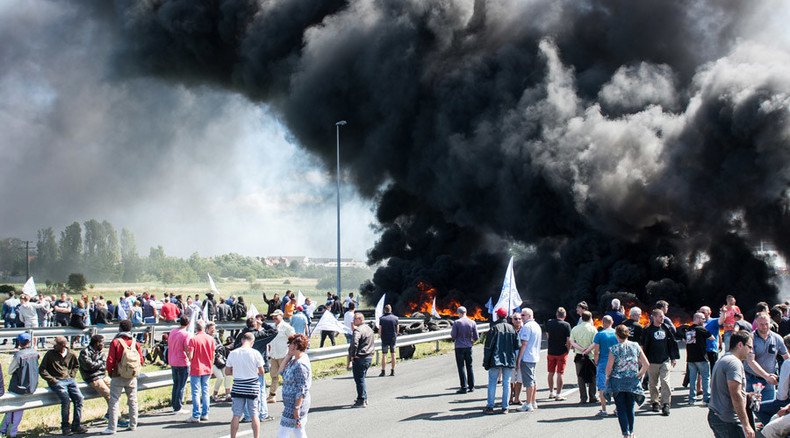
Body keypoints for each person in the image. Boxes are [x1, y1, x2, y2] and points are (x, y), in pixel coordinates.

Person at [708, 330, 757, 438]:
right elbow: (735, 394)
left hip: (717, 415)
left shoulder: (725, 359)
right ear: (740, 345)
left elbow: (724, 388)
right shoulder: (734, 363)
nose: (751, 351)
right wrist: (746, 424)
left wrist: (747, 395)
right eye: (749, 347)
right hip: (728, 419)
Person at [606, 324, 649, 438]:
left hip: (617, 381)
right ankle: (632, 431)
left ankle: (625, 433)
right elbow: (646, 364)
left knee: (621, 408)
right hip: (632, 381)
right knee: (630, 407)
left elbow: (609, 368)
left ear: (616, 335)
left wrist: (607, 377)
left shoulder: (614, 349)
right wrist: (639, 375)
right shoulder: (635, 346)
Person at [102, 320, 144, 434]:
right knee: (133, 400)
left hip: (118, 374)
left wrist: (110, 372)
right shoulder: (135, 342)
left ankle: (112, 427)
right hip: (132, 375)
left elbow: (110, 360)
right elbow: (141, 360)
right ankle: (133, 424)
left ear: (120, 328)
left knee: (114, 401)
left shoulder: (116, 342)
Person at [40, 336, 86, 435]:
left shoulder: (71, 354)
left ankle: (76, 425)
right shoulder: (50, 354)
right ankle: (65, 426)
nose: (53, 346)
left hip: (69, 380)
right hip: (57, 380)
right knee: (65, 400)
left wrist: (72, 375)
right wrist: (52, 380)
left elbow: (76, 366)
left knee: (79, 398)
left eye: (55, 344)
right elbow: (42, 369)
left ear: (62, 345)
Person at [226, 333, 265, 438]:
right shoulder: (255, 353)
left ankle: (233, 436)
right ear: (252, 342)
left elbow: (227, 372)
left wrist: (237, 371)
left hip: (238, 385)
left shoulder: (233, 353)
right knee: (254, 414)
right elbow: (261, 371)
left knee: (236, 414)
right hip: (252, 386)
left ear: (242, 340)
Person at [745, 312, 789, 406]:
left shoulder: (777, 338)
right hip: (752, 379)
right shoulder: (750, 338)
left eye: (767, 324)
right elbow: (751, 361)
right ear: (756, 323)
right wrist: (766, 376)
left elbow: (786, 357)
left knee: (767, 409)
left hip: (770, 381)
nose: (764, 327)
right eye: (761, 324)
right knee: (750, 408)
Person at [641, 308, 679, 416]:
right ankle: (655, 402)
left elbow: (671, 343)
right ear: (654, 317)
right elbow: (643, 345)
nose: (663, 318)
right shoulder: (647, 330)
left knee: (665, 382)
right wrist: (643, 360)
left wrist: (673, 357)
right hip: (652, 361)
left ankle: (666, 404)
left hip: (664, 360)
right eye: (660, 316)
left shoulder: (666, 328)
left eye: (663, 316)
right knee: (653, 383)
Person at [1, 333, 38, 438]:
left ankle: (10, 432)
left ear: (19, 342)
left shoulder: (19, 355)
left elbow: (10, 371)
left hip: (18, 387)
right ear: (29, 342)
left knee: (13, 411)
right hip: (31, 386)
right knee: (17, 411)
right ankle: (4, 430)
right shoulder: (35, 353)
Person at [483, 308, 519, 414]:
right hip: (509, 360)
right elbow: (518, 345)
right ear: (506, 316)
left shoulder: (494, 328)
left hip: (495, 359)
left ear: (497, 316)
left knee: (492, 383)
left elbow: (488, 347)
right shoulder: (512, 329)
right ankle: (505, 407)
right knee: (506, 383)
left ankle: (490, 407)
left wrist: (486, 362)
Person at [278, 334, 312, 438]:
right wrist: (288, 355)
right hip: (291, 404)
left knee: (283, 433)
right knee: (299, 431)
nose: (288, 346)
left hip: (295, 404)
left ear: (296, 346)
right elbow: (281, 372)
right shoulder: (294, 360)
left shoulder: (300, 365)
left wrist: (297, 407)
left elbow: (302, 389)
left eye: (290, 344)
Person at [757, 334, 790, 425]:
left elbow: (782, 392)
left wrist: (780, 400)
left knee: (758, 408)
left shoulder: (787, 363)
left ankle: (774, 429)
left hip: (787, 401)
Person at [186, 320, 215, 423]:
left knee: (196, 392)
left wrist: (187, 353)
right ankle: (205, 413)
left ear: (196, 328)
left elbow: (191, 356)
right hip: (207, 367)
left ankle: (196, 414)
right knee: (205, 391)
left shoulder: (193, 339)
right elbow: (213, 354)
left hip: (196, 368)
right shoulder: (210, 339)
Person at [78, 335, 112, 421]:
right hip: (92, 377)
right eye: (102, 343)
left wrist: (97, 364)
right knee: (109, 394)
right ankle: (115, 417)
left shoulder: (101, 352)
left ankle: (109, 414)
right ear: (97, 343)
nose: (103, 344)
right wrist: (100, 363)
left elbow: (105, 365)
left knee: (115, 391)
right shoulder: (85, 352)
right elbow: (89, 366)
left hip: (102, 375)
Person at [684, 312, 715, 406]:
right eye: (702, 319)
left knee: (693, 379)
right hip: (701, 358)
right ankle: (706, 399)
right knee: (706, 378)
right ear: (697, 318)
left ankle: (691, 399)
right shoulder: (701, 329)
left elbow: (688, 342)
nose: (704, 320)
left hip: (691, 358)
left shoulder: (689, 329)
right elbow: (712, 338)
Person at [517, 308, 542, 412]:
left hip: (527, 356)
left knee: (528, 382)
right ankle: (533, 401)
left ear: (529, 316)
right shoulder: (536, 325)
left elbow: (524, 343)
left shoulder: (527, 326)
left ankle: (528, 404)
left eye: (523, 315)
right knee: (533, 379)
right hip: (534, 355)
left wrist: (519, 358)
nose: (521, 317)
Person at [571, 311, 598, 404]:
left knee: (580, 377)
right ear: (590, 318)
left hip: (579, 355)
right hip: (590, 355)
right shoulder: (594, 329)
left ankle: (583, 397)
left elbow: (572, 342)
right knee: (593, 376)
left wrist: (581, 349)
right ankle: (592, 396)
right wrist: (587, 350)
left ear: (581, 318)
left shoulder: (575, 329)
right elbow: (595, 342)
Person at [268, 309, 295, 403]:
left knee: (286, 377)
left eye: (276, 316)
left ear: (281, 316)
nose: (274, 318)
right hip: (274, 355)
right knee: (274, 376)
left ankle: (289, 395)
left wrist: (291, 353)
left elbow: (293, 340)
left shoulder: (286, 327)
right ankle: (272, 396)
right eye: (273, 316)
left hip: (284, 355)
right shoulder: (271, 327)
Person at [348, 312, 374, 408]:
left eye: (355, 318)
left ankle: (361, 399)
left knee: (359, 379)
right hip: (369, 356)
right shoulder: (369, 329)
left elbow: (354, 343)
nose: (353, 320)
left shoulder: (358, 331)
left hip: (360, 357)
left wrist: (352, 356)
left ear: (360, 319)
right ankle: (364, 397)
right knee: (362, 378)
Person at [593, 315, 618, 416]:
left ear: (603, 323)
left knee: (602, 385)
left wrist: (596, 361)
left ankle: (604, 410)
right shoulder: (616, 334)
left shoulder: (599, 335)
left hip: (603, 362)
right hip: (615, 362)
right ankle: (617, 408)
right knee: (616, 385)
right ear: (612, 322)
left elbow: (596, 351)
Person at [450, 306, 479, 393]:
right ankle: (471, 386)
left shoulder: (457, 322)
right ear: (466, 312)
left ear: (459, 313)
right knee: (469, 366)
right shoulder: (472, 322)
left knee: (461, 366)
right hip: (468, 347)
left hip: (459, 347)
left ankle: (463, 387)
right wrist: (471, 342)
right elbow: (476, 337)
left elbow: (453, 335)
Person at [545, 307, 571, 400]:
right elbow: (568, 341)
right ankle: (558, 394)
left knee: (550, 372)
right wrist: (568, 350)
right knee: (560, 373)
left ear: (556, 314)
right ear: (565, 315)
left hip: (551, 351)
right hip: (562, 351)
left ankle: (551, 392)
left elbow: (548, 336)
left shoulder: (549, 323)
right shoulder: (566, 325)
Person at [168, 316, 191, 414]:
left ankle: (174, 404)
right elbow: (187, 348)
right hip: (182, 361)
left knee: (176, 384)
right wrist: (191, 359)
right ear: (188, 324)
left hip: (173, 360)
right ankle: (178, 407)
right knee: (181, 385)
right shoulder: (186, 334)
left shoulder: (173, 331)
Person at [209, 322, 232, 402]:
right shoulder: (207, 338)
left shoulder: (216, 337)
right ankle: (214, 394)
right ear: (207, 329)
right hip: (211, 361)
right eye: (211, 329)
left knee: (228, 375)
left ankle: (227, 394)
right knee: (220, 377)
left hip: (220, 359)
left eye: (214, 328)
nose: (213, 330)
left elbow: (221, 347)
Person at [378, 304, 400, 377]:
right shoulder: (395, 318)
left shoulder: (382, 319)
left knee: (384, 354)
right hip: (393, 338)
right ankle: (392, 371)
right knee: (393, 353)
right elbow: (397, 329)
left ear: (385, 310)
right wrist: (395, 335)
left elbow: (380, 330)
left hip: (384, 338)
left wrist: (380, 336)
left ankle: (383, 371)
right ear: (391, 310)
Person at [509, 312, 524, 406]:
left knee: (520, 379)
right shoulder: (509, 329)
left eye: (519, 318)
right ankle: (510, 398)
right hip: (511, 358)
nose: (518, 320)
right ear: (512, 320)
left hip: (522, 358)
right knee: (511, 380)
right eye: (515, 319)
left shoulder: (524, 329)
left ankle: (517, 398)